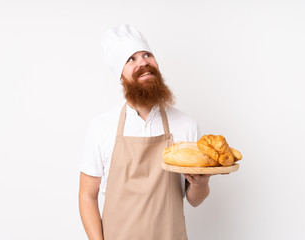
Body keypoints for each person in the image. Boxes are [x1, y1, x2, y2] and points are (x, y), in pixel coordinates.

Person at [79, 24, 212, 240]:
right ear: (120, 76)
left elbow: (195, 199)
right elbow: (87, 195)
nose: (143, 62)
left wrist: (202, 183)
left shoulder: (186, 125)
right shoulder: (100, 128)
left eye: (147, 55)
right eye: (131, 59)